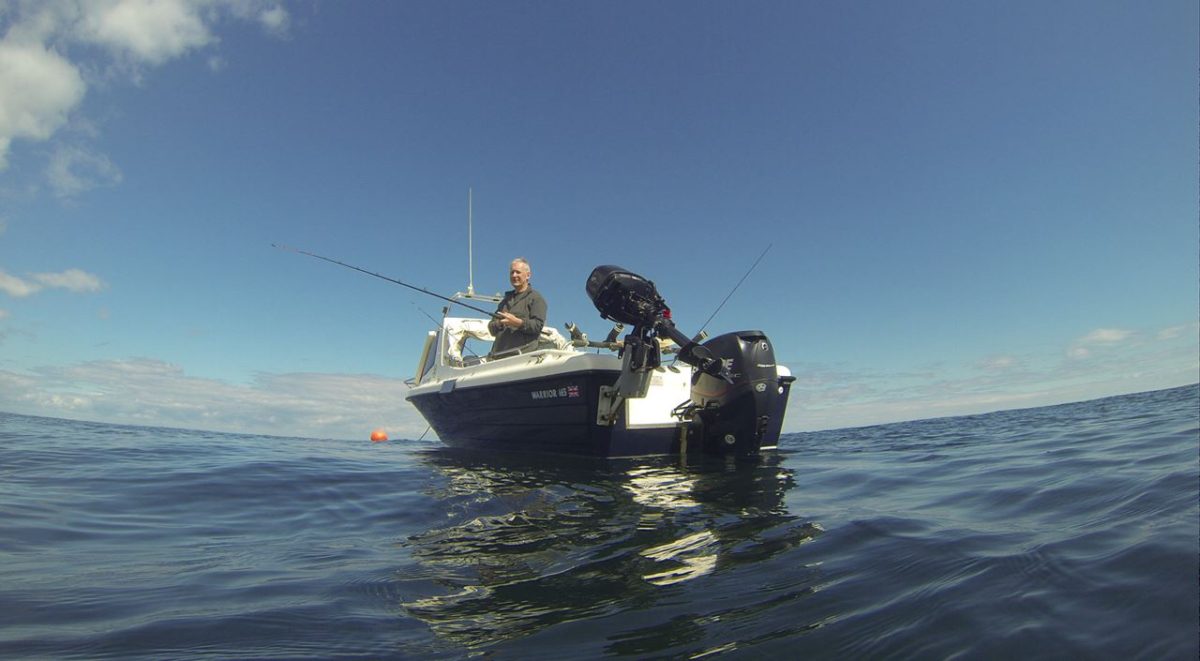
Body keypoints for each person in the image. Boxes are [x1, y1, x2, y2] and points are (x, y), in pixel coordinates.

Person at [487, 257, 547, 358]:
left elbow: (537, 326)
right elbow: (491, 329)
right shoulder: (504, 302)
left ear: (528, 275)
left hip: (522, 358)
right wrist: (500, 323)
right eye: (512, 272)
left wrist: (518, 322)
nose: (514, 275)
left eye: (518, 272)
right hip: (498, 358)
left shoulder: (536, 298)